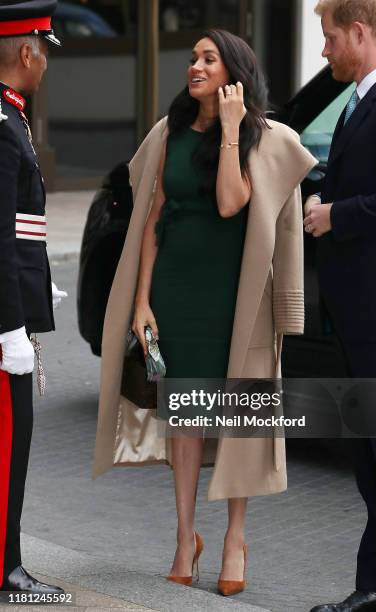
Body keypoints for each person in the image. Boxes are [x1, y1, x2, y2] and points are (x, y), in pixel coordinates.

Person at [93, 29, 316, 595]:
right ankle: (185, 535)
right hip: (176, 292)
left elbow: (228, 202)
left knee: (239, 417)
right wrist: (143, 300)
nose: (194, 66)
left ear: (233, 72)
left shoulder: (260, 138)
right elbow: (153, 219)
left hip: (236, 299)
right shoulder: (169, 132)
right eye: (192, 58)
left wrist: (232, 127)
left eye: (208, 59)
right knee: (187, 420)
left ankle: (234, 539)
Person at [304, 1, 376, 611]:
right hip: (359, 315)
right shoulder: (364, 99)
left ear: (361, 33)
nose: (324, 50)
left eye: (330, 37)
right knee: (372, 457)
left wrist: (335, 214)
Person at [0, 0, 67, 595]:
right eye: (44, 51)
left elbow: (19, 224)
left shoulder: (11, 116)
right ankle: (5, 568)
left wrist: (37, 278)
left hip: (13, 303)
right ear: (27, 52)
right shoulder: (2, 122)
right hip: (2, 323)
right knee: (6, 446)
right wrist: (8, 325)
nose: (45, 64)